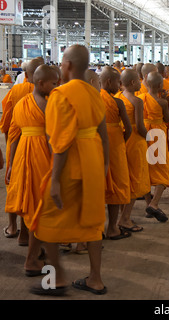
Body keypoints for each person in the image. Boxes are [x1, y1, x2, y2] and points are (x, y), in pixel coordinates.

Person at [30, 44, 110, 296]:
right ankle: (95, 279)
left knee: (48, 218)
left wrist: (54, 180)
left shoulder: (61, 95)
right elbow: (104, 135)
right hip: (94, 161)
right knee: (94, 220)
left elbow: (61, 142)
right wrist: (105, 165)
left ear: (68, 65)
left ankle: (59, 278)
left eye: (63, 62)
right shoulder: (94, 93)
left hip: (70, 165)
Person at [5, 65, 58, 276]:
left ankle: (25, 239)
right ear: (40, 83)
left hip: (22, 156)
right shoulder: (47, 106)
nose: (57, 87)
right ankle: (31, 260)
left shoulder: (21, 104)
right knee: (40, 207)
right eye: (54, 83)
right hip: (40, 157)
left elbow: (14, 137)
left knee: (29, 203)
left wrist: (11, 165)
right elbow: (51, 139)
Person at [1, 58, 43, 243]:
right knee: (35, 188)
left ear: (26, 74)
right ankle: (31, 232)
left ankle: (13, 227)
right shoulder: (50, 96)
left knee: (15, 184)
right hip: (40, 146)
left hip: (16, 140)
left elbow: (6, 123)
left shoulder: (16, 91)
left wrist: (7, 142)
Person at [115, 69, 151, 232]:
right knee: (135, 180)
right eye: (138, 80)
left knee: (124, 178)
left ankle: (124, 214)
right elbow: (140, 126)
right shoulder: (137, 101)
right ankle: (125, 219)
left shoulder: (116, 98)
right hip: (136, 140)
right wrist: (151, 137)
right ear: (131, 83)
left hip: (121, 140)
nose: (140, 83)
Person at [99, 66, 132, 240]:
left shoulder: (93, 99)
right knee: (116, 186)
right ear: (109, 82)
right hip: (115, 144)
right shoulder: (117, 102)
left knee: (99, 187)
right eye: (117, 82)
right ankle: (112, 228)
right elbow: (129, 129)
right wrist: (120, 142)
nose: (119, 86)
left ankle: (96, 230)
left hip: (96, 144)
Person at [139, 71, 169, 222]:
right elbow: (167, 118)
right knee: (162, 171)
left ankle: (148, 205)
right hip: (158, 133)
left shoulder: (140, 99)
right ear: (160, 86)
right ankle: (154, 203)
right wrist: (164, 99)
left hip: (144, 133)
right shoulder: (162, 102)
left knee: (146, 169)